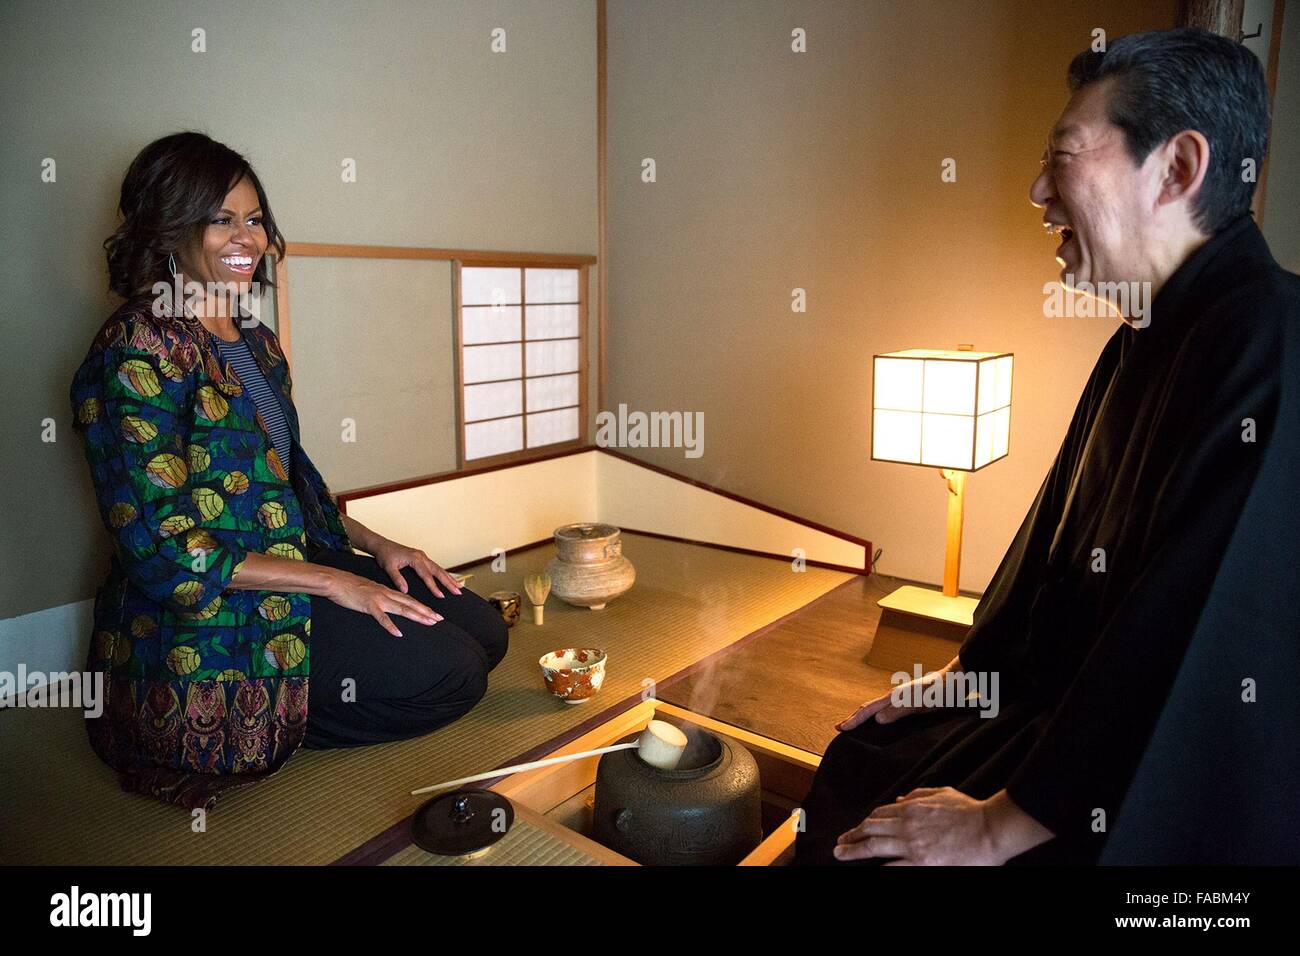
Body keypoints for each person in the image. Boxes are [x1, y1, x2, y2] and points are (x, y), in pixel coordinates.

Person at [795, 28, 1296, 864]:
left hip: (1162, 780)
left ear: (1177, 168)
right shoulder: (1147, 330)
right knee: (867, 754)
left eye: (1062, 156)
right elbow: (1060, 556)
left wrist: (1000, 825)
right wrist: (974, 677)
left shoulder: (1267, 345)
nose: (1038, 190)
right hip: (1064, 707)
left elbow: (1203, 638)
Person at [69, 132, 508, 811]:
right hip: (209, 613)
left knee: (484, 631)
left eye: (254, 218)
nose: (247, 236)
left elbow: (290, 483)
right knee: (454, 673)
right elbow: (162, 547)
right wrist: (336, 585)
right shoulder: (137, 350)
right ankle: (276, 724)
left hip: (292, 559)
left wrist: (378, 547)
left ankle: (326, 670)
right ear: (171, 225)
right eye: (222, 218)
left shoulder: (256, 343)